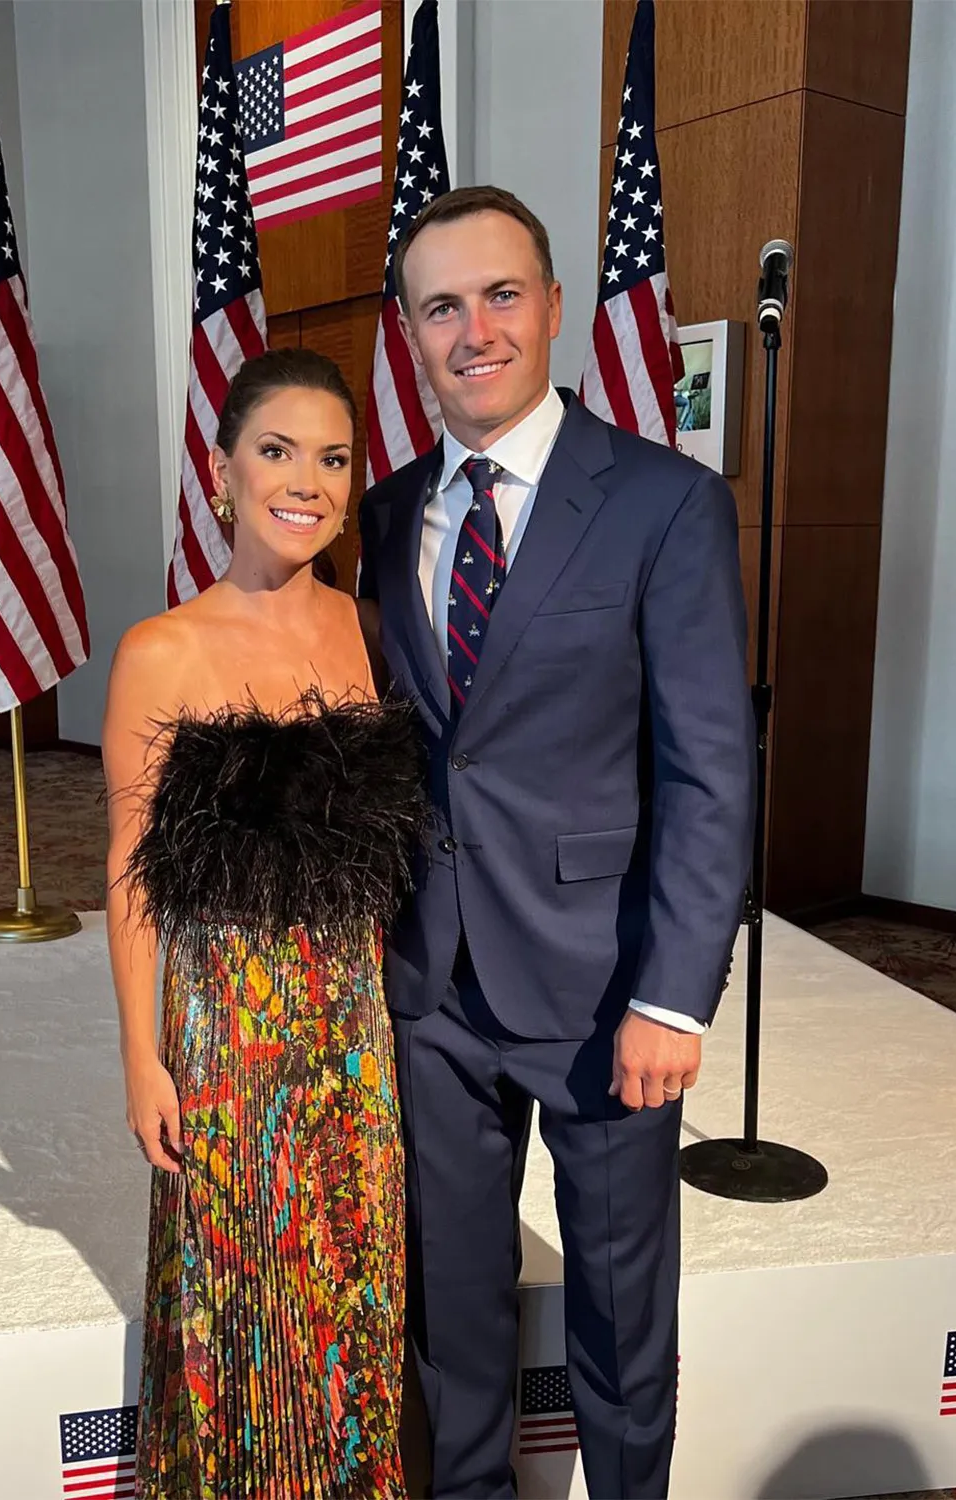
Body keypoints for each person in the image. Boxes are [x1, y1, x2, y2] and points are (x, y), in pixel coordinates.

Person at [358, 186, 755, 1499]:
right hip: (432, 989)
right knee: (451, 1312)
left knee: (622, 1322)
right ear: (411, 333)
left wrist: (672, 997)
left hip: (606, 991)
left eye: (500, 295)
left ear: (551, 305)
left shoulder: (661, 503)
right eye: (441, 307)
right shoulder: (385, 515)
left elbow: (708, 770)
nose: (474, 330)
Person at [102, 349, 426, 1499]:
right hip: (226, 1044)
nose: (305, 482)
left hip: (353, 1037)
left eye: (332, 459)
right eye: (276, 451)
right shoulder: (162, 650)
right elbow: (131, 872)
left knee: (355, 1295)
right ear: (220, 471)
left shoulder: (370, 632)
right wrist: (142, 1056)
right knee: (239, 1304)